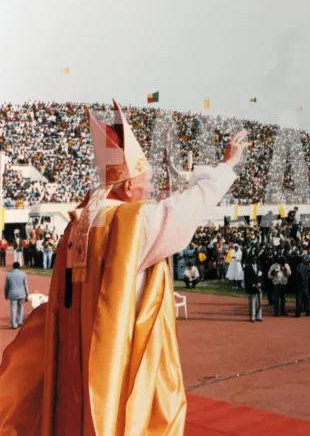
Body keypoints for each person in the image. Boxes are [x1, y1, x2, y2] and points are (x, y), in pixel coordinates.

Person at [0, 100, 246, 435]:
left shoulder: (75, 226)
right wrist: (227, 165)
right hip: (111, 372)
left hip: (71, 366)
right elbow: (187, 209)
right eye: (145, 183)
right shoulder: (128, 225)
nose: (149, 191)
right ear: (128, 186)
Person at [4, 262, 29, 330]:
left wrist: (5, 295)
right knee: (21, 307)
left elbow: (6, 287)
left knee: (13, 308)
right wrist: (27, 295)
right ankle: (20, 322)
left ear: (13, 267)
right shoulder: (23, 274)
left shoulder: (9, 275)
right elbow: (25, 285)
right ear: (19, 267)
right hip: (21, 293)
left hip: (12, 293)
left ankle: (13, 324)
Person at [243, 255, 263, 322]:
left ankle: (259, 316)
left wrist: (259, 284)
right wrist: (254, 285)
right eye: (253, 259)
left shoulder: (259, 267)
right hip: (251, 288)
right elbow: (247, 279)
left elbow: (261, 276)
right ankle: (252, 317)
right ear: (250, 259)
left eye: (255, 259)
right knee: (252, 303)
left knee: (259, 302)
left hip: (259, 287)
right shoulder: (247, 268)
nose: (254, 260)